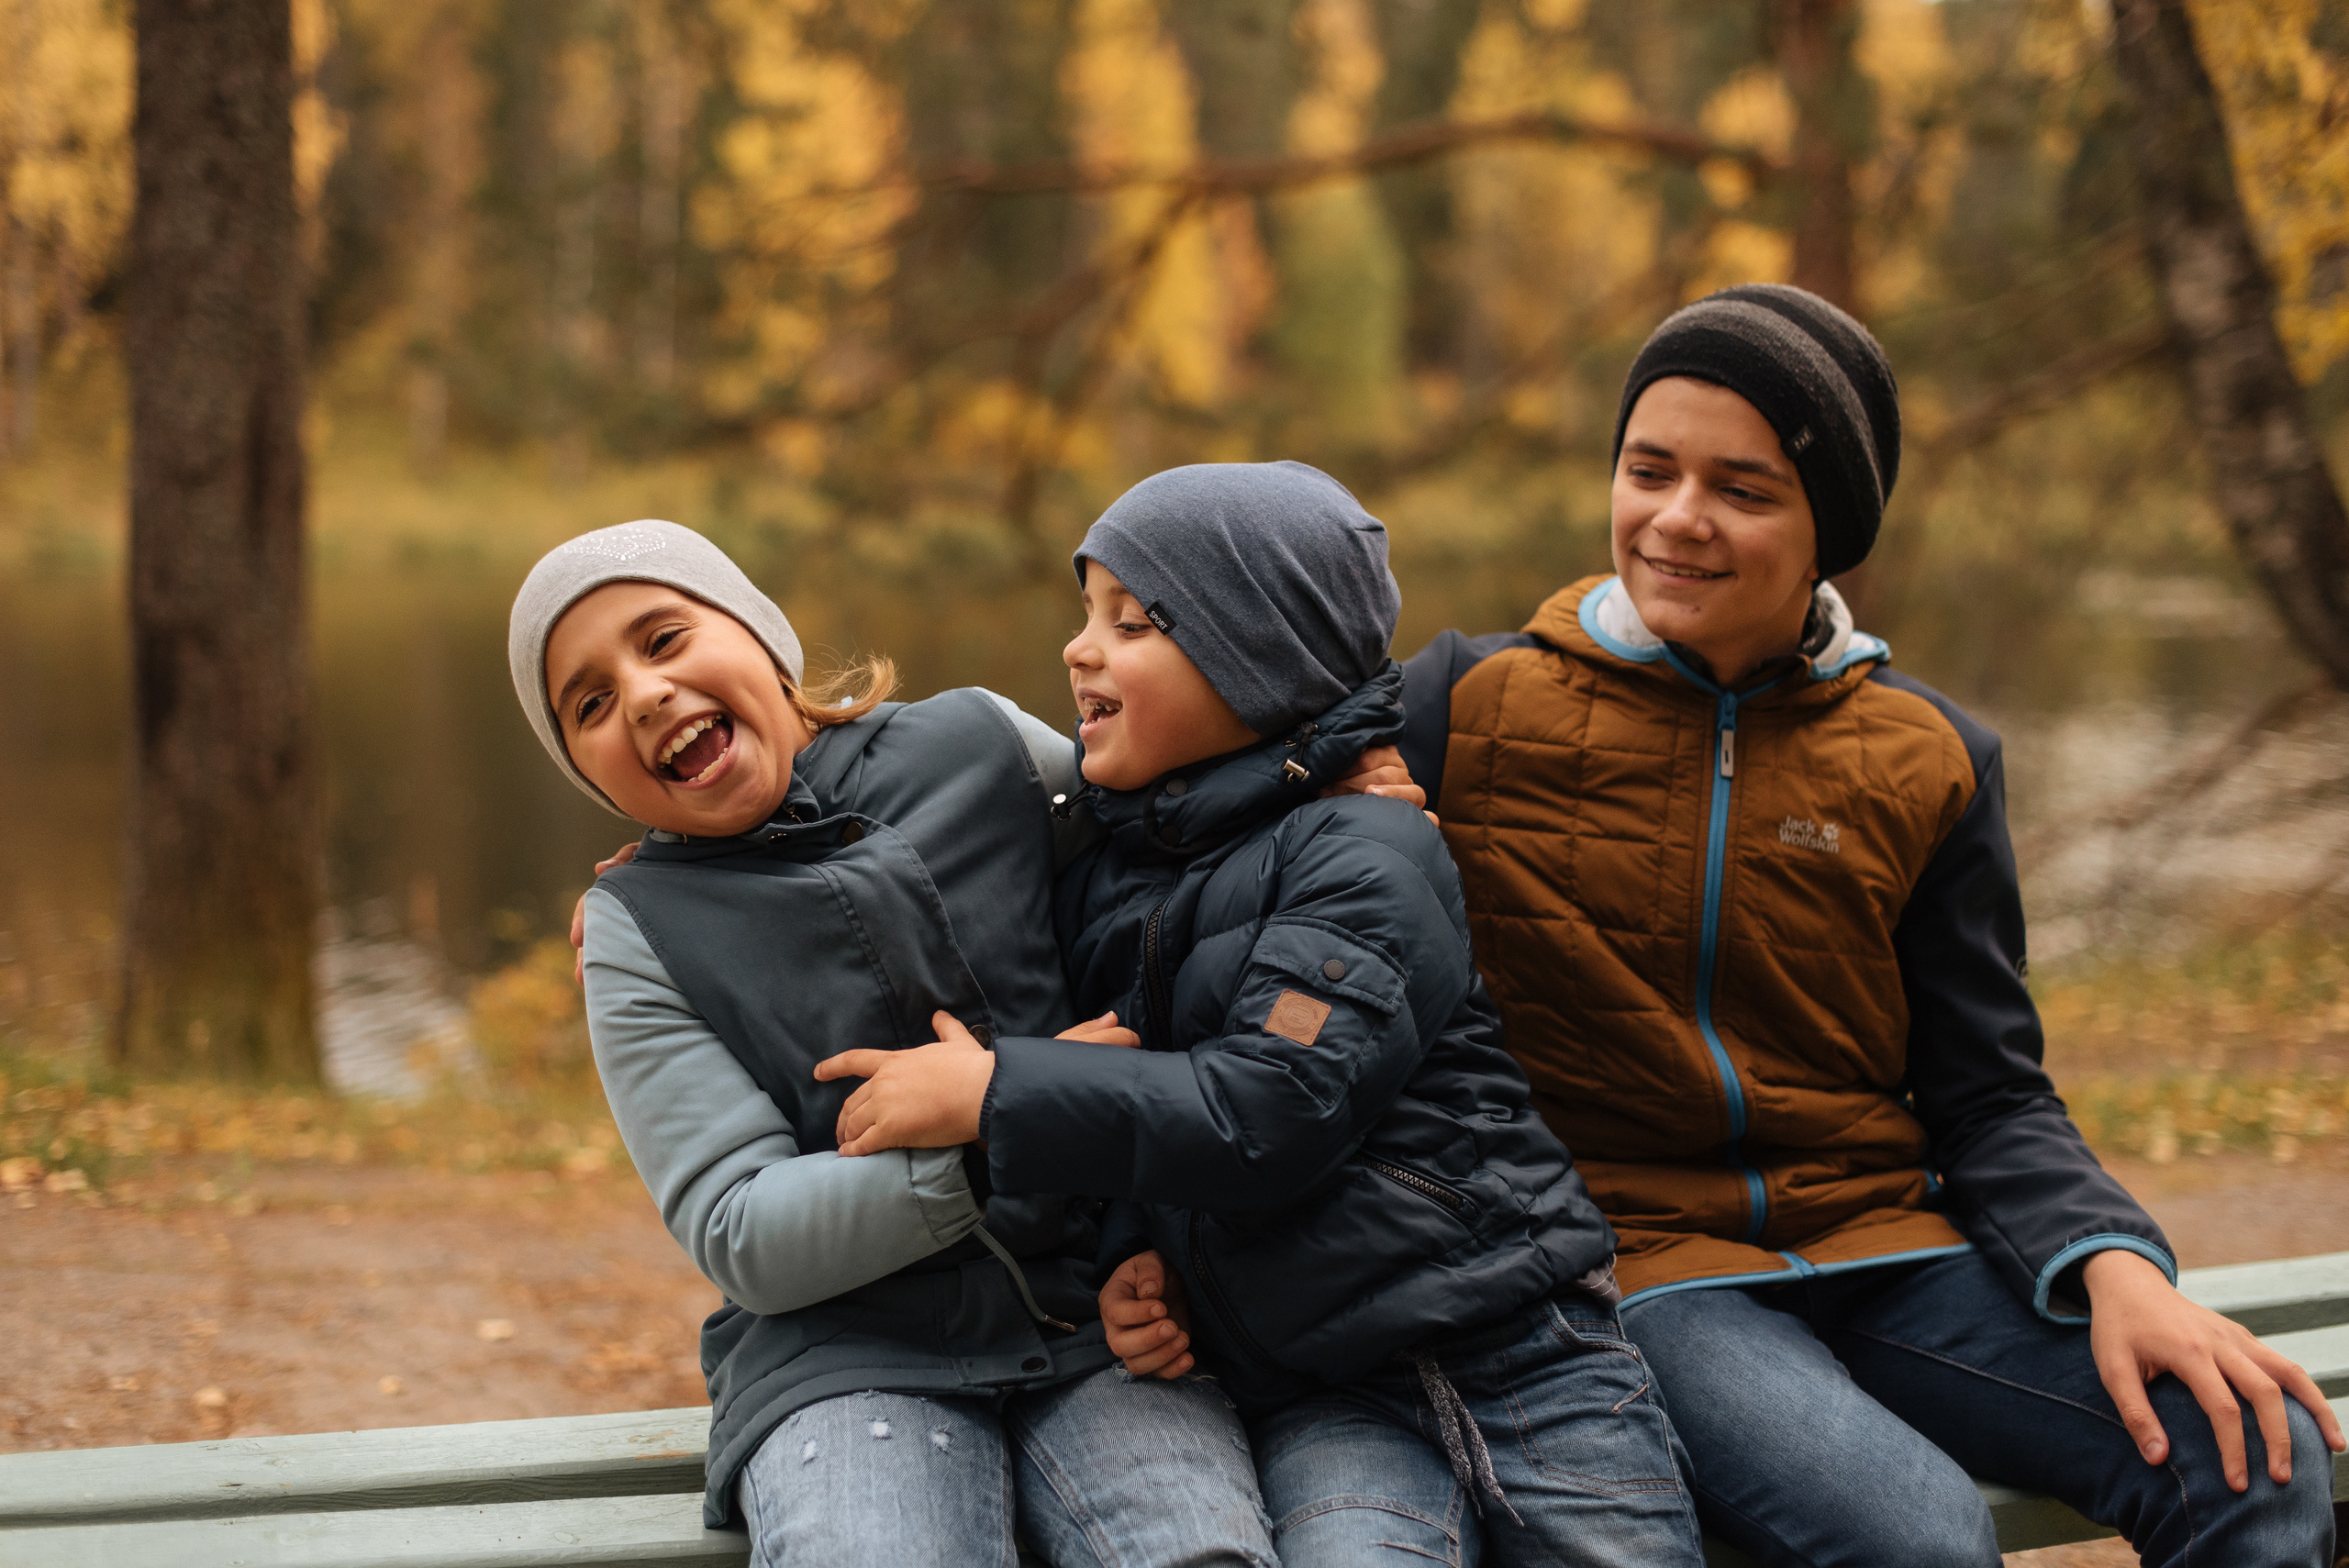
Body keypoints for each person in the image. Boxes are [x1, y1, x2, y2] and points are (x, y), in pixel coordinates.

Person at [1396, 284, 2345, 1568]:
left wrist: (2115, 1263)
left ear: (1827, 530)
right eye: (1649, 470)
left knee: (2253, 1455)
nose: (1677, 517)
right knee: (1916, 1537)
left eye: (1741, 489)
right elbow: (1219, 802)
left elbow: (1988, 1089)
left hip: (1887, 1248)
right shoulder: (1464, 707)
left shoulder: (1931, 756)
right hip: (1635, 1266)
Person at [819, 462, 1707, 1568]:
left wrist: (996, 1089)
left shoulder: (1364, 847)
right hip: (1318, 1391)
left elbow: (1268, 1106)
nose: (1079, 648)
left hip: (1514, 1347)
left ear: (1257, 662)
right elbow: (1139, 1099)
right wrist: (1137, 1254)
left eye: (1131, 621)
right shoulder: (1109, 875)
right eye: (1086, 613)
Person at [508, 518, 1286, 1568]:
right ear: (589, 771)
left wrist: (1336, 776)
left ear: (760, 635)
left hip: (1100, 1319)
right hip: (841, 1362)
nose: (643, 694)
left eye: (663, 639)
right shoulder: (639, 930)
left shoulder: (982, 748)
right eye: (590, 704)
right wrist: (992, 1132)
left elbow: (1184, 843)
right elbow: (738, 1225)